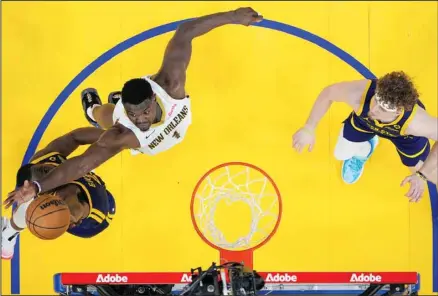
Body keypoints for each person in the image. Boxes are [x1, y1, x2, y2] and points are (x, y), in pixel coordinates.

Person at [3, 7, 263, 204]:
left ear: (153, 100)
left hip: (174, 123)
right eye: (133, 113)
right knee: (106, 117)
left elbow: (185, 32)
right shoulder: (123, 131)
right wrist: (38, 188)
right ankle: (93, 109)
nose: (139, 118)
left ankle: (109, 105)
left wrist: (233, 16)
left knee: (117, 120)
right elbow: (81, 164)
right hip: (137, 142)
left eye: (143, 112)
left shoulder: (171, 83)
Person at [292, 71, 437, 202]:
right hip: (365, 123)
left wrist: (422, 175)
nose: (373, 109)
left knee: (431, 175)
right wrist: (309, 128)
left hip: (405, 137)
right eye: (376, 100)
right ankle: (365, 149)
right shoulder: (359, 94)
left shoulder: (417, 123)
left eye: (382, 108)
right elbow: (328, 93)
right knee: (340, 154)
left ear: (398, 111)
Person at [2, 127, 116, 259]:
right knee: (37, 213)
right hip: (87, 212)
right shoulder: (81, 209)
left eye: (44, 170)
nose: (48, 172)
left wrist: (111, 136)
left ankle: (9, 231)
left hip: (90, 204)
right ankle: (9, 233)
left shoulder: (45, 157)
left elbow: (75, 136)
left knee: (39, 213)